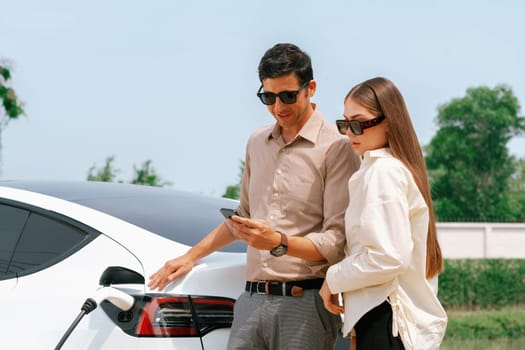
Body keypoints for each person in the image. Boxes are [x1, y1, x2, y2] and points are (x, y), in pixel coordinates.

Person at [148, 43, 361, 349]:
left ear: (310, 88)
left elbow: (336, 241)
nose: (279, 107)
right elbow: (242, 216)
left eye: (288, 96)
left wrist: (278, 242)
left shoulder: (337, 147)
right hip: (250, 300)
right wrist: (191, 256)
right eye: (268, 97)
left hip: (304, 305)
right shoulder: (257, 142)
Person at [319, 77, 448, 350]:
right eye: (344, 124)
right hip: (388, 321)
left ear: (388, 122)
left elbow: (388, 257)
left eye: (358, 123)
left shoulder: (382, 171)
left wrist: (334, 277)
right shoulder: (392, 168)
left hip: (387, 321)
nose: (349, 132)